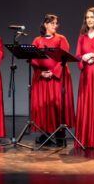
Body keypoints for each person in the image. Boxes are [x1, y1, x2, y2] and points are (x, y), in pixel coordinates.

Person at [31, 14, 75, 145]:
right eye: (52, 23)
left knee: (58, 105)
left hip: (58, 77)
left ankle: (60, 136)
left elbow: (64, 57)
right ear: (45, 24)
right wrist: (41, 73)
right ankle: (46, 135)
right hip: (42, 78)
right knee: (44, 105)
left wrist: (53, 72)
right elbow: (33, 59)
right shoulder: (37, 40)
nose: (55, 25)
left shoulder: (61, 39)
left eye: (56, 23)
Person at [75, 7, 94, 148]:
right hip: (86, 75)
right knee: (85, 105)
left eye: (92, 17)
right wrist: (83, 58)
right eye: (87, 17)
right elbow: (77, 55)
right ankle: (84, 140)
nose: (89, 20)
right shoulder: (82, 37)